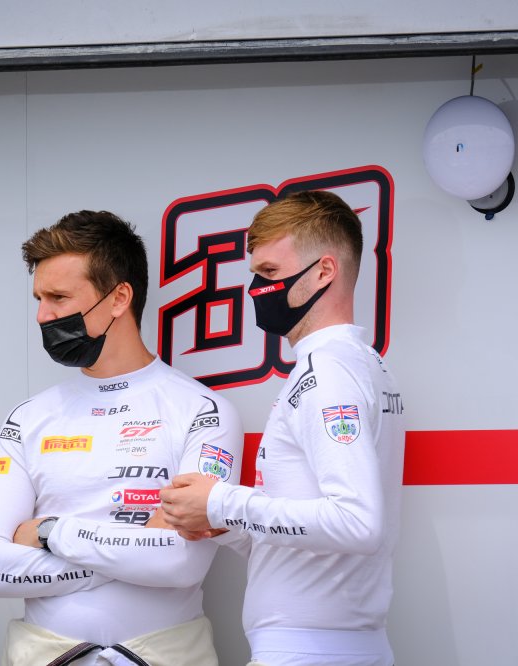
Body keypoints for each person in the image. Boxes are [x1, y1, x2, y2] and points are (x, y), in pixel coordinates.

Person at [0, 210, 244, 665]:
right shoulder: (28, 418)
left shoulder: (204, 411)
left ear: (119, 298)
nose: (42, 315)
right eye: (39, 298)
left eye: (58, 297)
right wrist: (129, 557)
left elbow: (180, 563)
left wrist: (51, 533)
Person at [160, 190, 405, 666]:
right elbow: (308, 529)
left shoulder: (329, 371)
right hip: (329, 644)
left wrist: (222, 502)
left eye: (270, 273)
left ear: (325, 270)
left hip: (309, 650)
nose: (256, 289)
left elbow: (357, 524)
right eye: (255, 274)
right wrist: (220, 522)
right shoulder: (356, 364)